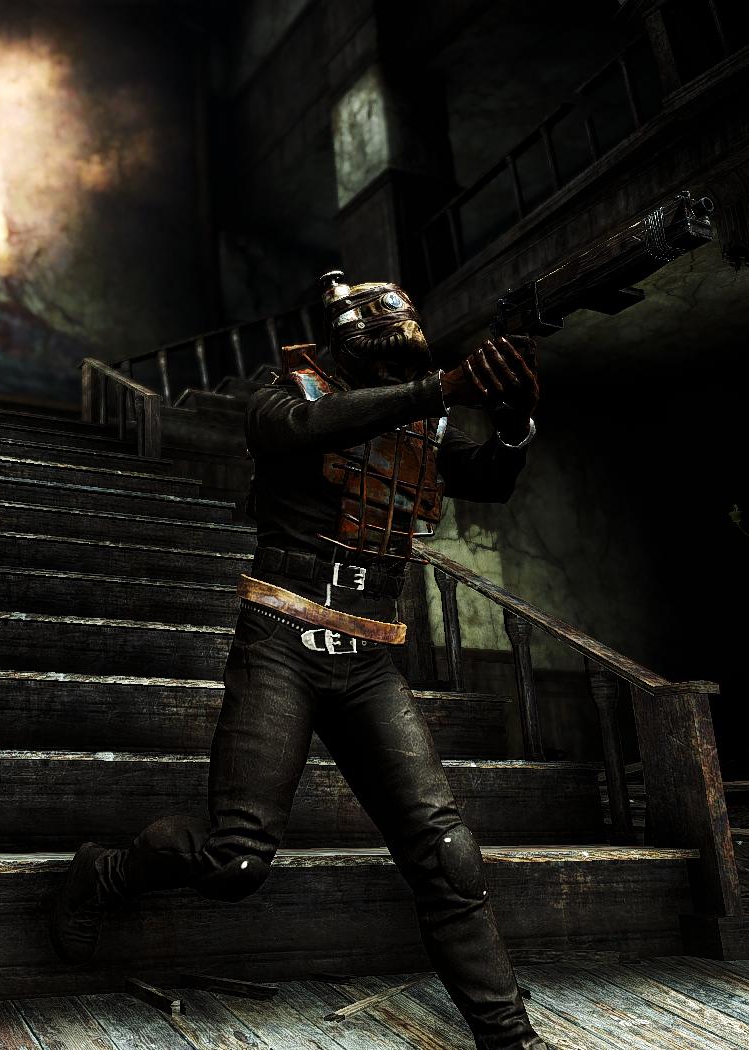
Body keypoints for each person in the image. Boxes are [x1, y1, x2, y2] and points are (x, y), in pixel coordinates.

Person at [48, 272, 552, 1050]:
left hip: (369, 654)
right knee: (236, 861)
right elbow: (303, 428)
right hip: (282, 639)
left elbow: (490, 478)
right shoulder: (284, 395)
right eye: (380, 353)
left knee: (447, 853)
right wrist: (439, 388)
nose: (396, 367)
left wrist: (513, 419)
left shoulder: (420, 421)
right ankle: (104, 873)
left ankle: (510, 1039)